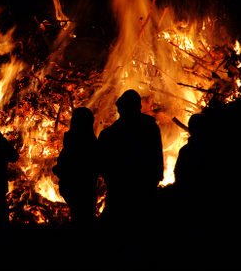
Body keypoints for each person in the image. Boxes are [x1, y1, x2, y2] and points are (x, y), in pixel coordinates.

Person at [97, 89, 164, 266]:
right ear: (138, 107)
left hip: (120, 190)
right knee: (143, 230)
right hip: (144, 188)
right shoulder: (150, 128)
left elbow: (101, 164)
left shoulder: (109, 135)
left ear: (120, 108)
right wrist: (156, 177)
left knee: (120, 230)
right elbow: (156, 156)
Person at [52, 107, 98, 226]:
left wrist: (59, 170)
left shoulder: (75, 140)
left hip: (76, 187)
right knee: (85, 217)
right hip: (84, 188)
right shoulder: (89, 141)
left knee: (81, 217)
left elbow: (66, 164)